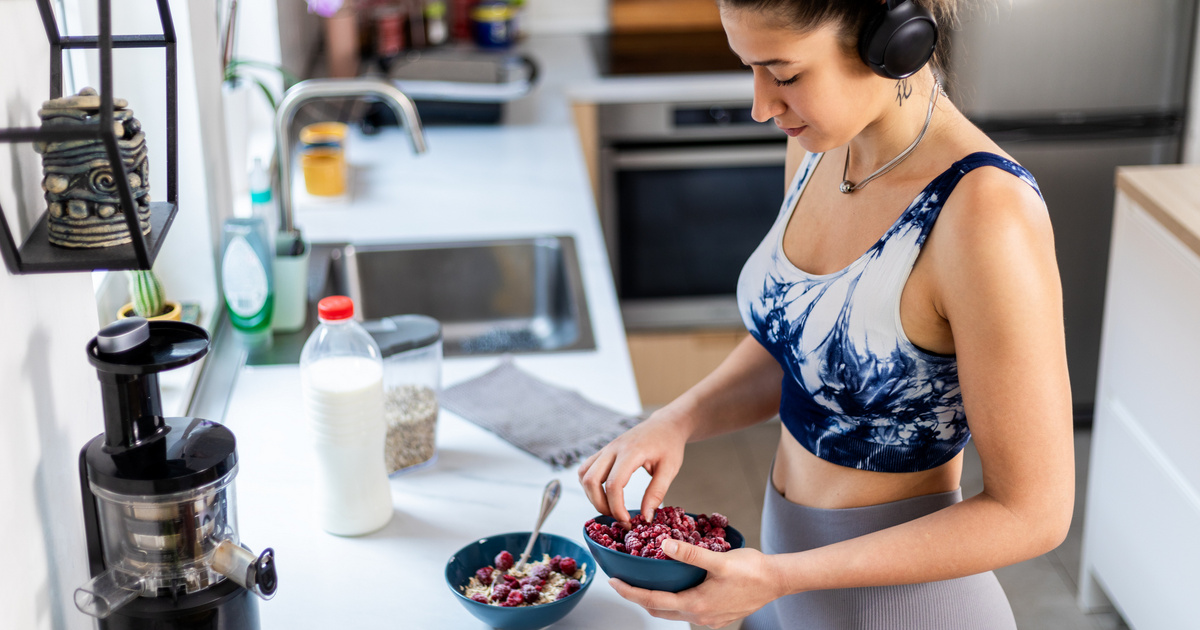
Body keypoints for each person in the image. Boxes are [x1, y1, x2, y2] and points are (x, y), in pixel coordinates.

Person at [577, 0, 1075, 628]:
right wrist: (675, 421)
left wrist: (783, 576)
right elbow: (799, 348)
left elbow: (1034, 514)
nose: (762, 106)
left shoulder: (984, 211)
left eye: (784, 75)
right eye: (751, 70)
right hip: (788, 588)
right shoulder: (823, 149)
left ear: (892, 42)